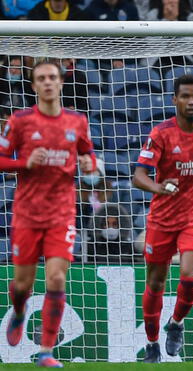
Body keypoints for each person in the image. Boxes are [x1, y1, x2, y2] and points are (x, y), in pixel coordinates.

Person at [1, 60, 97, 368]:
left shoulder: (77, 121)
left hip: (61, 213)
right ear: (33, 86)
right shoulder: (19, 121)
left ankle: (45, 352)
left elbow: (88, 153)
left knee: (56, 279)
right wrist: (24, 163)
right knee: (21, 284)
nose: (47, 82)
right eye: (41, 78)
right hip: (27, 214)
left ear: (60, 82)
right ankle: (18, 312)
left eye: (52, 77)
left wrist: (88, 164)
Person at [133, 74, 193, 363]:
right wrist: (158, 187)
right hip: (162, 219)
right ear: (175, 100)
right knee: (156, 283)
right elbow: (138, 176)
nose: (191, 102)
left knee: (189, 273)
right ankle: (152, 344)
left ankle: (175, 323)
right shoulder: (161, 134)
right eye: (185, 96)